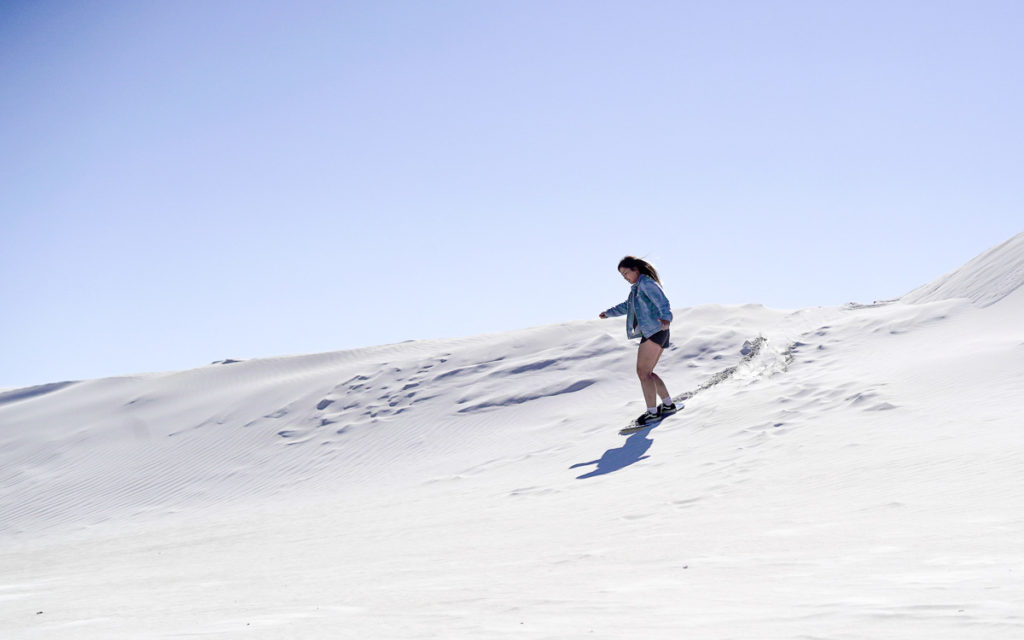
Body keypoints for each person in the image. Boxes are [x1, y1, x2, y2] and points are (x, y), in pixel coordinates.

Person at [599, 256, 677, 426]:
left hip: (656, 330)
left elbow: (662, 301)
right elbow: (628, 306)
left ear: (636, 269)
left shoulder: (647, 284)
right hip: (655, 331)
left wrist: (666, 317)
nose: (625, 277)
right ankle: (668, 405)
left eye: (626, 273)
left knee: (643, 373)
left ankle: (652, 413)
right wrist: (609, 313)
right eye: (622, 275)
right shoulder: (638, 288)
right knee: (648, 373)